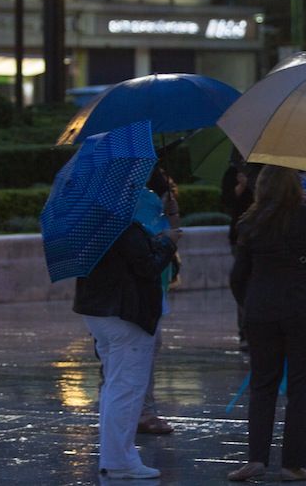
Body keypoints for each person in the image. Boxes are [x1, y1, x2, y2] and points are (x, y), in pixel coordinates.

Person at [227, 166, 306, 482]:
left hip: (261, 314)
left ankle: (256, 458)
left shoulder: (250, 222)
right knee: (301, 386)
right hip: (304, 311)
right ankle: (293, 464)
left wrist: (252, 303)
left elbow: (237, 277)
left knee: (262, 384)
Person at [74, 209, 181, 479]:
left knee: (115, 386)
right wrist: (168, 242)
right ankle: (120, 461)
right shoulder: (120, 224)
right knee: (126, 388)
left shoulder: (89, 221)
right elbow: (146, 266)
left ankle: (114, 458)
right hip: (124, 314)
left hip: (99, 312)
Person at [136, 167, 180, 435]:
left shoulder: (154, 211)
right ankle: (143, 412)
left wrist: (172, 217)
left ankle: (143, 410)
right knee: (143, 353)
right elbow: (150, 259)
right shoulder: (142, 208)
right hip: (142, 295)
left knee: (150, 348)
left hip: (155, 291)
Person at [221, 149, 255, 350]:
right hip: (240, 237)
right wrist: (241, 185)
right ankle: (245, 331)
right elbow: (226, 201)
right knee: (244, 281)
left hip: (261, 233)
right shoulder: (232, 173)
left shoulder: (263, 172)